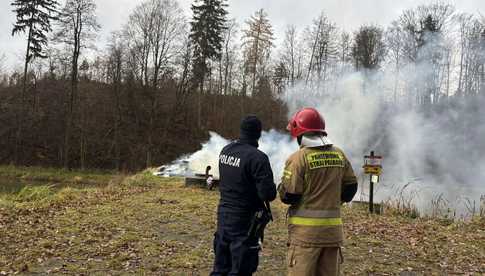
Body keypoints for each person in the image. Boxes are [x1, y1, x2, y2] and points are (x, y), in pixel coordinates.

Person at [278, 107, 358, 276]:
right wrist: (332, 199)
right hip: (332, 236)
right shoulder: (339, 154)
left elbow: (290, 196)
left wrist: (281, 188)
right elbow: (351, 188)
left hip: (305, 238)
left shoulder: (298, 158)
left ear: (300, 134)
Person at [211, 115, 277, 276]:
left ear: (241, 131)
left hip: (223, 214)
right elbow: (268, 194)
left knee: (220, 266)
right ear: (258, 134)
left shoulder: (226, 150)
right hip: (245, 220)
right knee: (241, 267)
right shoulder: (258, 158)